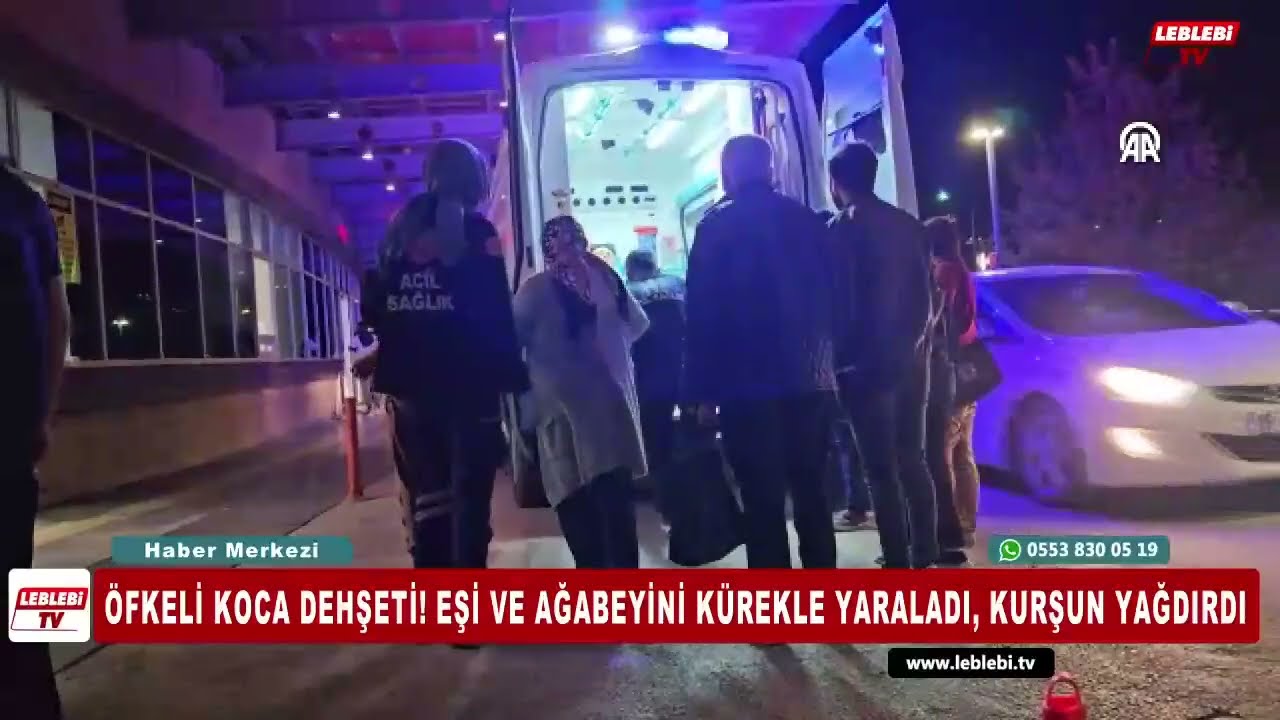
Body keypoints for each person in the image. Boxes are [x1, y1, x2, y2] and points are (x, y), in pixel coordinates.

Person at [361, 139, 527, 573]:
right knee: (470, 495)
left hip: (410, 386)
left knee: (429, 494)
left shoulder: (398, 233)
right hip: (469, 384)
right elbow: (494, 310)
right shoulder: (478, 232)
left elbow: (375, 307)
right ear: (473, 178)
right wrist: (511, 376)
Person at [684, 134, 839, 570]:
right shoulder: (807, 220)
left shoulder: (715, 227)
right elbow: (836, 295)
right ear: (770, 168)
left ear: (729, 171)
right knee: (812, 489)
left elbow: (702, 313)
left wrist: (699, 392)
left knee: (761, 498)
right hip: (810, 376)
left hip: (744, 385)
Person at [826, 141, 939, 569]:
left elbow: (839, 303)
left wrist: (839, 358)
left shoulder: (840, 230)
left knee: (879, 469)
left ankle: (896, 557)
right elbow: (926, 298)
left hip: (864, 366)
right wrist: (915, 345)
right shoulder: (909, 225)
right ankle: (924, 550)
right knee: (913, 458)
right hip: (912, 361)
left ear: (837, 182)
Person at [514, 215, 650, 569]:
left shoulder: (536, 290)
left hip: (566, 418)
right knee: (616, 521)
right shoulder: (606, 278)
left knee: (582, 519)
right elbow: (638, 326)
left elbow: (511, 344)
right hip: (607, 415)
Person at [0, 167, 69, 718]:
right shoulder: (24, 205)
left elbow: (57, 316)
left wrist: (41, 415)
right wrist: (42, 413)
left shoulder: (23, 205)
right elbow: (57, 315)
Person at [921, 217, 974, 566]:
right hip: (966, 370)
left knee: (939, 455)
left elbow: (933, 320)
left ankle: (948, 532)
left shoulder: (942, 272)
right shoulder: (964, 271)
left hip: (945, 371)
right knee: (963, 454)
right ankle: (966, 525)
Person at [624, 250, 686, 525]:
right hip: (683, 375)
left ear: (631, 270)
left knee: (658, 445)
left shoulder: (630, 292)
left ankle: (669, 508)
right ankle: (695, 499)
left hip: (650, 381)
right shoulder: (676, 284)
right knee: (689, 441)